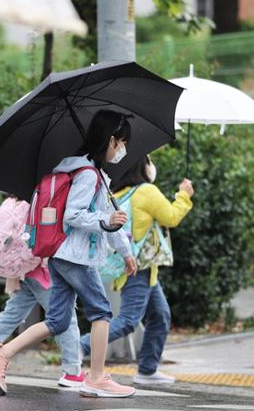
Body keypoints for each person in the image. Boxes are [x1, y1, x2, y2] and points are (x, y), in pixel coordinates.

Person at [0, 109, 138, 398]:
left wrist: (125, 250)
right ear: (111, 140)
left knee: (58, 321)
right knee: (101, 312)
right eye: (122, 142)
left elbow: (105, 218)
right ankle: (97, 377)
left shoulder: (93, 173)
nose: (123, 149)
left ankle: (1, 352)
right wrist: (105, 221)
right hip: (76, 256)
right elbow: (73, 215)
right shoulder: (88, 174)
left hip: (61, 255)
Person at [80, 155, 194, 385]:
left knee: (160, 315)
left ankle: (148, 370)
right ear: (141, 166)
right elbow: (171, 217)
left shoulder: (118, 195)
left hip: (139, 267)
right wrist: (184, 195)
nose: (152, 166)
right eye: (149, 160)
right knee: (129, 320)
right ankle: (79, 345)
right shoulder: (146, 191)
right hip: (139, 267)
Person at [0, 199, 84, 388]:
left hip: (22, 270)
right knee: (65, 317)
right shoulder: (41, 199)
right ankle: (73, 372)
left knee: (10, 316)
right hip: (42, 270)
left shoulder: (12, 200)